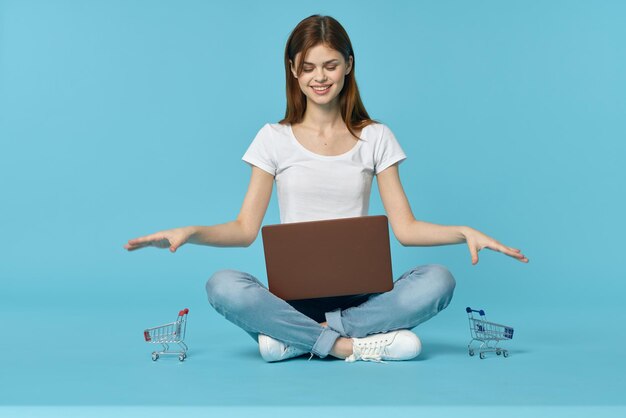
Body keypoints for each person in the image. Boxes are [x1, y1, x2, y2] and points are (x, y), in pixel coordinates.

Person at [124, 15, 528, 364]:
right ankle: (348, 347)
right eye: (309, 67)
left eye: (330, 65)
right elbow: (244, 228)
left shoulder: (376, 137)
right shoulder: (272, 139)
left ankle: (298, 342)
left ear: (348, 65)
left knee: (439, 280)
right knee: (222, 286)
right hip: (291, 301)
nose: (320, 77)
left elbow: (406, 229)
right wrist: (189, 234)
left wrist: (464, 233)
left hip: (363, 301)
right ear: (294, 71)